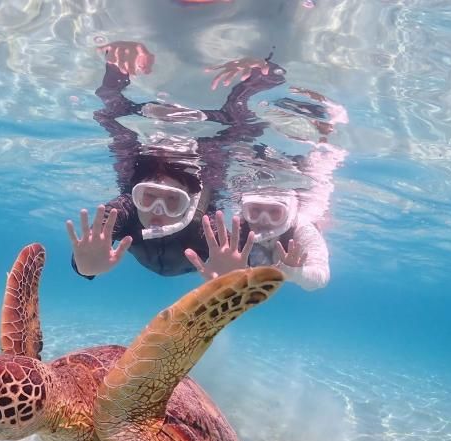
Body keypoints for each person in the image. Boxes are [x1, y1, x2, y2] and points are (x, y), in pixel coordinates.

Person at [65, 40, 286, 278]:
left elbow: (246, 256)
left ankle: (266, 59)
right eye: (147, 196)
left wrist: (234, 277)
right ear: (135, 194)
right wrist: (83, 267)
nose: (157, 211)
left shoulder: (207, 230)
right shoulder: (122, 212)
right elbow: (89, 250)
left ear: (190, 201)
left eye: (173, 200)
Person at [184, 92, 348, 291]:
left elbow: (320, 278)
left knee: (320, 151)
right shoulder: (238, 226)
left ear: (290, 212)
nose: (262, 220)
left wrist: (295, 273)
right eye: (255, 211)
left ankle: (321, 120)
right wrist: (224, 276)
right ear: (244, 209)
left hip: (295, 151)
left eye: (275, 212)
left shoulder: (301, 229)